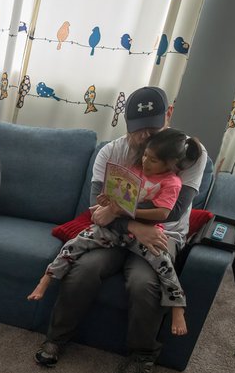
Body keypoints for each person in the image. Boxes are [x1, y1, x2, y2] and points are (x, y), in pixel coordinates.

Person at [35, 86, 209, 373]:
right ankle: (57, 338)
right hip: (119, 232)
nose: (143, 138)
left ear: (168, 116)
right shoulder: (111, 152)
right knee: (85, 269)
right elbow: (96, 209)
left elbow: (173, 212)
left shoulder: (188, 153)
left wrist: (127, 219)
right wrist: (134, 227)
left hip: (160, 235)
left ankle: (142, 354)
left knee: (144, 284)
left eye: (151, 129)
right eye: (137, 130)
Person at [28, 128, 202, 338]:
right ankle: (46, 280)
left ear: (170, 164)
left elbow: (165, 213)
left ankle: (177, 307)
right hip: (118, 229)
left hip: (149, 232)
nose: (145, 161)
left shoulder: (172, 182)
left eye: (153, 160)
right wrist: (108, 202)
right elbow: (111, 200)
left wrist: (122, 211)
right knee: (77, 244)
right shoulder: (135, 169)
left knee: (162, 265)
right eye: (145, 155)